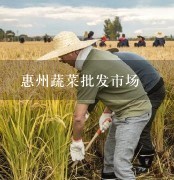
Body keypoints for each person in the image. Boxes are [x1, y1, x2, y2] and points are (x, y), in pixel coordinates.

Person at [37, 31, 152, 179]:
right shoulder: (99, 56)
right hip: (123, 111)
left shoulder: (90, 70)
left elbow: (78, 117)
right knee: (109, 158)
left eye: (62, 55)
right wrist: (107, 111)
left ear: (73, 52)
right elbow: (117, 86)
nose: (61, 60)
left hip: (134, 115)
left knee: (121, 165)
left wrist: (76, 142)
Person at [87, 51, 165, 175]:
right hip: (146, 87)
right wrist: (107, 112)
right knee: (123, 127)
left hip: (151, 90)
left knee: (141, 125)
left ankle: (145, 164)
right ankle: (120, 163)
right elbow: (118, 91)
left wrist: (84, 114)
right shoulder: (114, 61)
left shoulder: (112, 64)